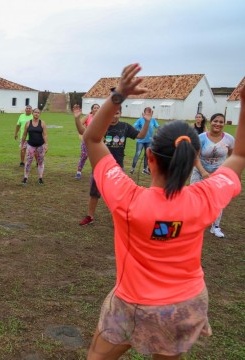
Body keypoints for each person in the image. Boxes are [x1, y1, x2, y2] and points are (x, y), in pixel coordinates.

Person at [84, 63, 244, 360]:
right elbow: (241, 154)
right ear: (193, 158)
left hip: (132, 303)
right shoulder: (205, 198)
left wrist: (118, 96)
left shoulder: (128, 199)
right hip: (184, 304)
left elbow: (92, 139)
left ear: (150, 158)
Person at [74, 103, 150, 226]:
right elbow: (83, 131)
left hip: (117, 167)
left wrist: (147, 122)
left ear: (120, 114)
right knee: (94, 192)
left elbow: (141, 135)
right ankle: (90, 216)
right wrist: (77, 119)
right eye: (113, 113)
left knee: (119, 194)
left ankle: (120, 218)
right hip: (100, 165)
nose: (114, 116)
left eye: (117, 113)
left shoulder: (125, 127)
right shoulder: (102, 126)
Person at [190, 113, 235, 238]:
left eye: (221, 122)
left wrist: (225, 171)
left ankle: (215, 226)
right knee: (195, 197)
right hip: (200, 171)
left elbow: (232, 156)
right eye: (216, 121)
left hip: (218, 174)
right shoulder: (201, 138)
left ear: (224, 124)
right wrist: (203, 172)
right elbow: (195, 157)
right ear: (210, 122)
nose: (218, 124)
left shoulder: (229, 139)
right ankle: (194, 224)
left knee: (218, 199)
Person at [21, 108, 49, 185]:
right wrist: (22, 145)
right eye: (35, 112)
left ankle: (40, 178)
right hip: (30, 145)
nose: (36, 114)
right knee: (28, 162)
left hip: (40, 145)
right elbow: (24, 135)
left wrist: (46, 144)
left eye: (38, 113)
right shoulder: (28, 123)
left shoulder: (42, 123)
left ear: (39, 114)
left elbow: (45, 135)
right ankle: (25, 178)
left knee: (40, 162)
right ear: (32, 113)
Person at [129, 107, 160, 175]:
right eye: (147, 112)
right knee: (138, 153)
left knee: (147, 155)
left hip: (149, 141)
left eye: (150, 112)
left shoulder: (153, 120)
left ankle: (145, 169)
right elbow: (133, 127)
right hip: (140, 141)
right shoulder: (140, 120)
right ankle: (132, 168)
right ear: (144, 113)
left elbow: (158, 127)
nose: (149, 113)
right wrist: (136, 133)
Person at [75, 104, 100, 179]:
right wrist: (81, 134)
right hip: (86, 140)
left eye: (98, 108)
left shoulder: (102, 118)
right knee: (84, 156)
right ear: (92, 110)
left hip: (96, 141)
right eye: (95, 108)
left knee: (96, 157)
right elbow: (79, 124)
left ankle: (96, 173)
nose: (96, 109)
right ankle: (79, 172)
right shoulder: (88, 117)